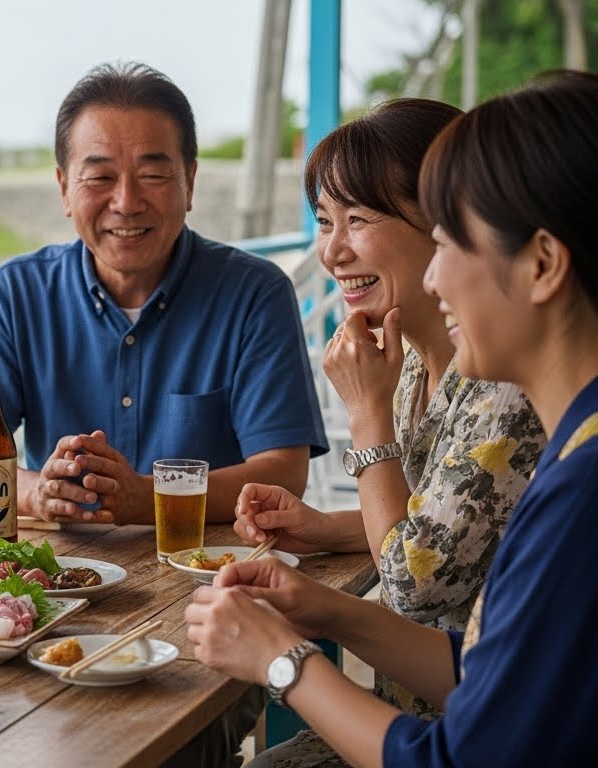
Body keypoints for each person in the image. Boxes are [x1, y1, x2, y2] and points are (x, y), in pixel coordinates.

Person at [186, 70, 598, 767]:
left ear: (540, 263)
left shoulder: (578, 492)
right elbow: (484, 676)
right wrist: (326, 608)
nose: (436, 281)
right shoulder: (572, 452)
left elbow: (458, 753)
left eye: (449, 242)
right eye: (324, 222)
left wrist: (283, 661)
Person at [0, 62, 327, 525]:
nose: (125, 202)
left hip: (212, 575)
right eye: (100, 177)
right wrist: (36, 494)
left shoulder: (255, 294)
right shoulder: (16, 293)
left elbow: (283, 473)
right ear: (65, 188)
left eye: (153, 175)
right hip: (63, 574)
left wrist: (146, 496)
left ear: (190, 182)